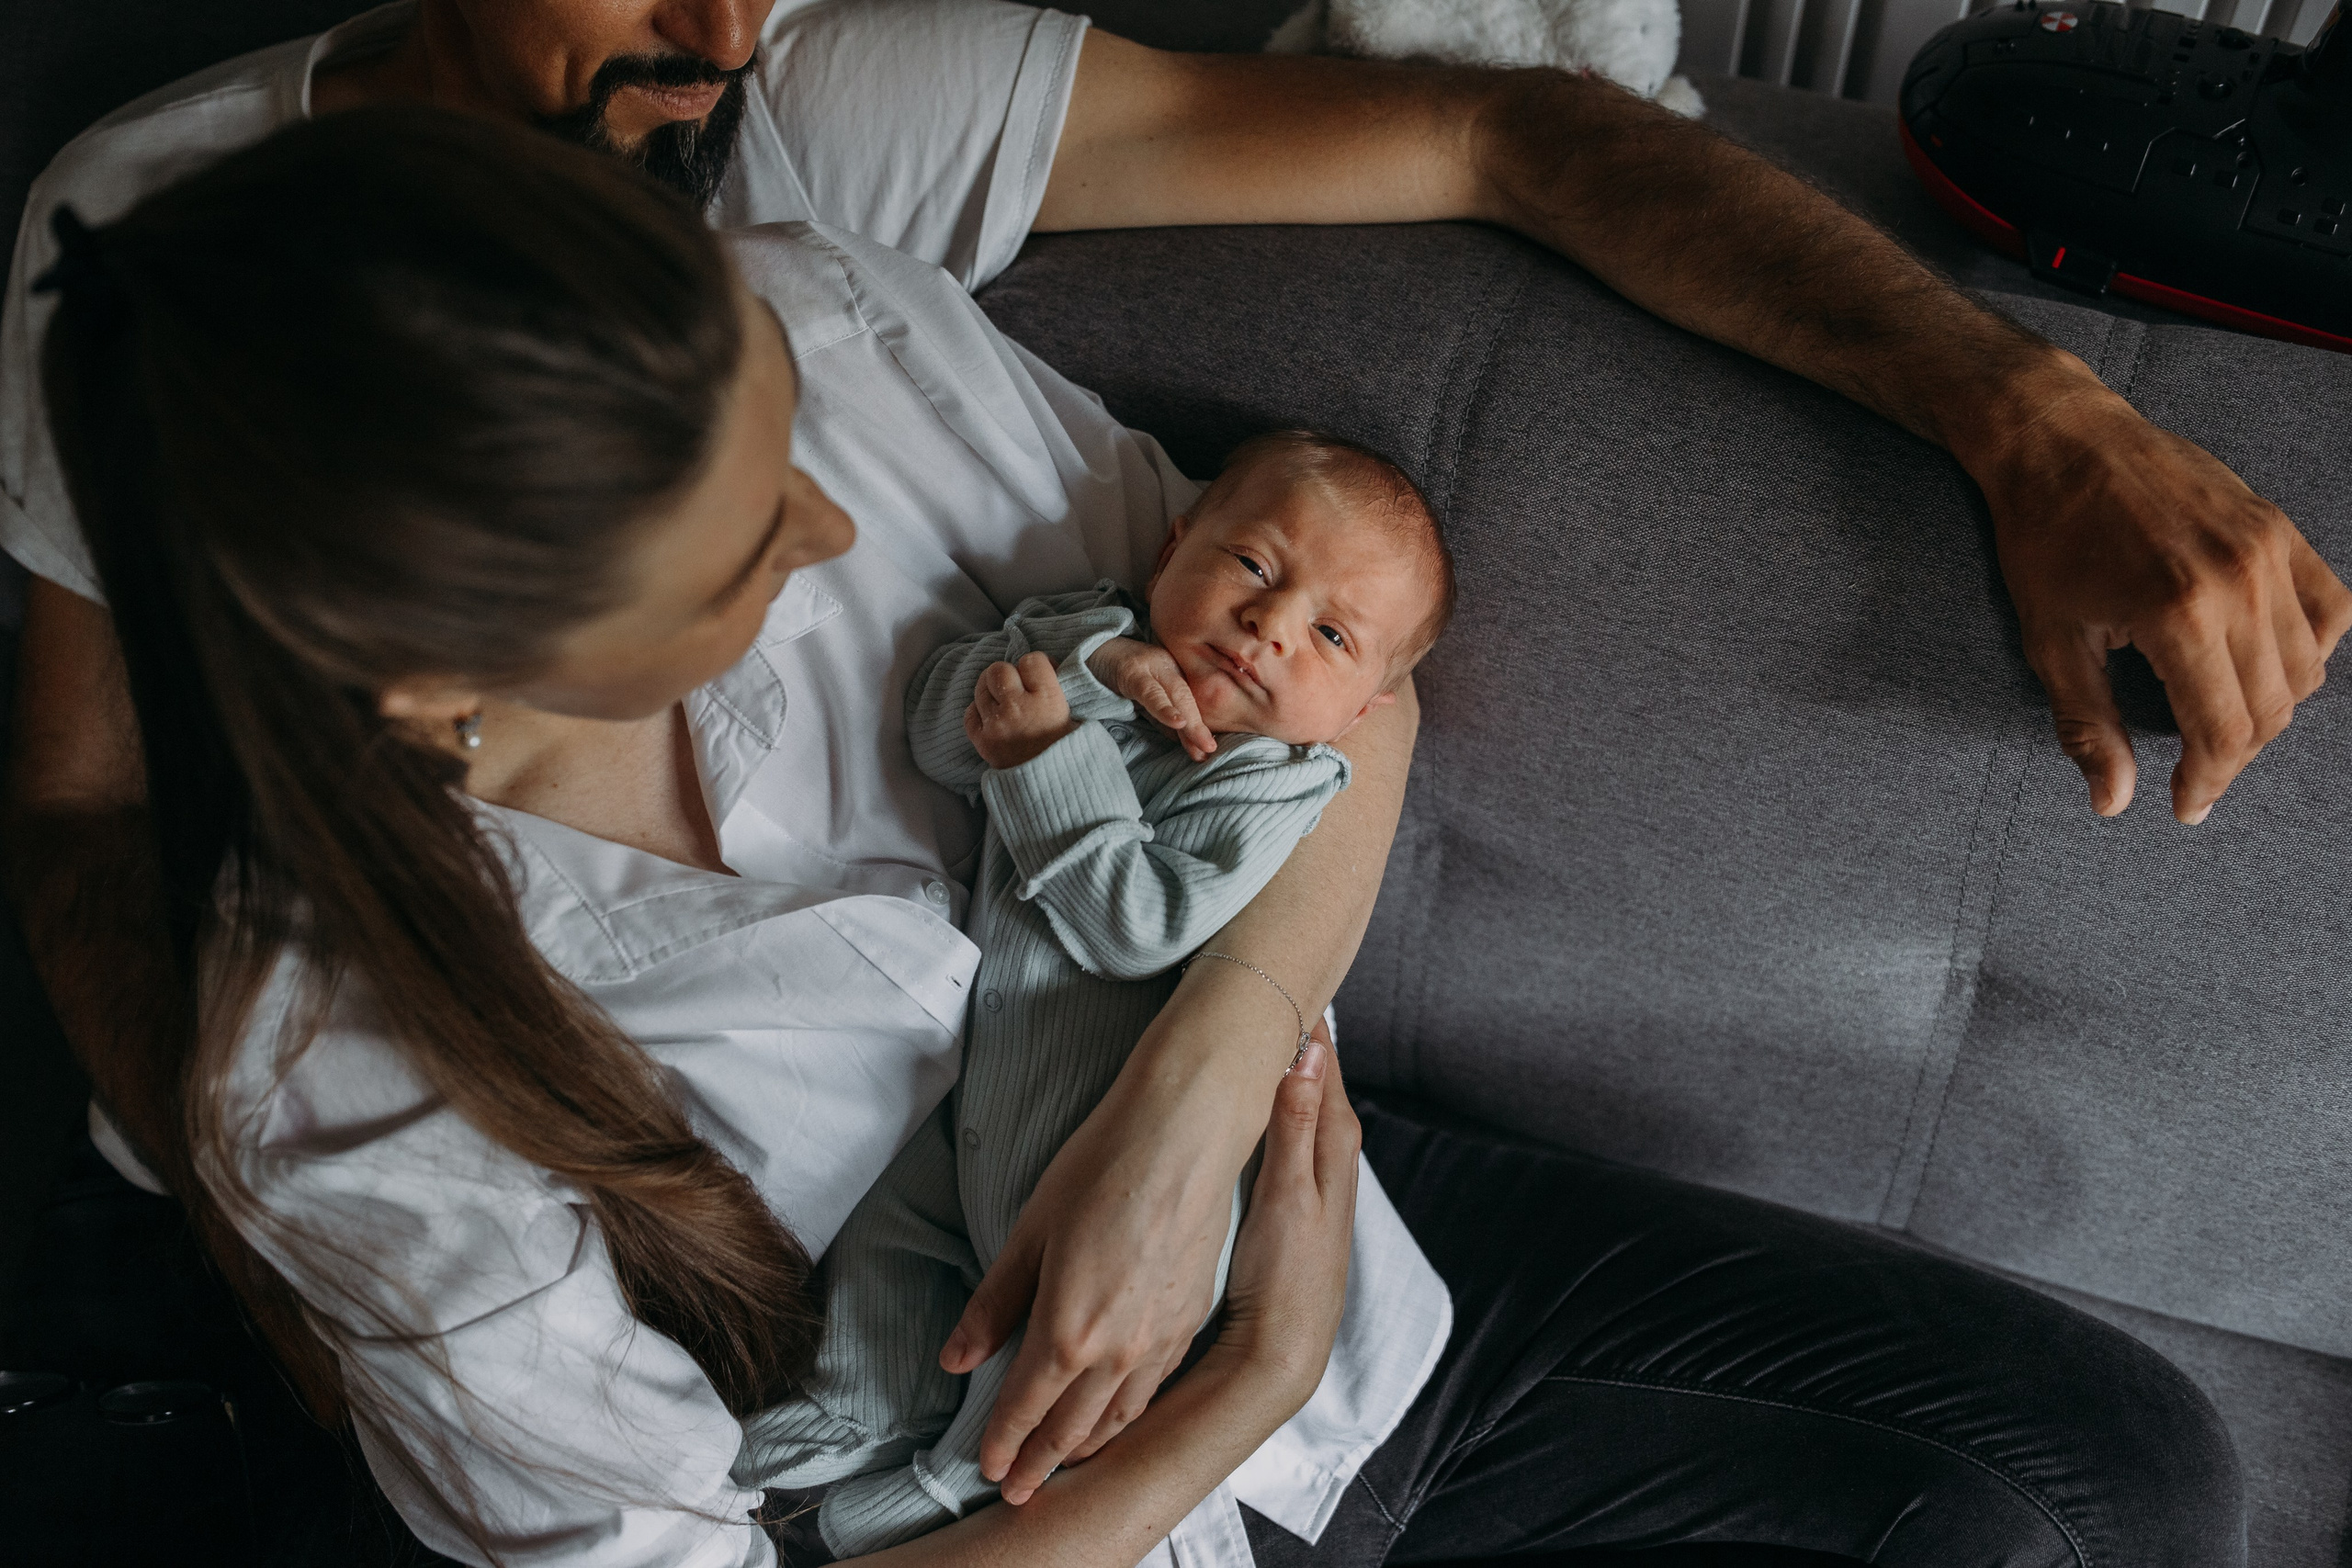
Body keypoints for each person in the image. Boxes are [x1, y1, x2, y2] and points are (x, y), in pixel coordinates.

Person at [3, 0, 2345, 1498]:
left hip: (1334, 1225)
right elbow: (92, 819)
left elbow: (1338, 692)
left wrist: (1191, 1095)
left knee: (2109, 1466)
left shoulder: (812, 281)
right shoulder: (354, 1085)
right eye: (739, 548)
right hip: (1037, 1469)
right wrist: (1227, 1389)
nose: (827, 524)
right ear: (443, 673)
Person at [766, 433, 1455, 1560]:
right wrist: (1082, 679)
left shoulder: (1279, 778)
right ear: (1175, 546)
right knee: (886, 1250)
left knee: (1042, 1357)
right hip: (973, 1092)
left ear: (1364, 711)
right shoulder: (1085, 633)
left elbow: (1140, 927)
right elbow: (944, 731)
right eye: (1254, 568)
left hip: (1107, 1139)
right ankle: (834, 1431)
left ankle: (941, 1501)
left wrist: (1045, 759)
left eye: (1331, 636)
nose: (1270, 626)